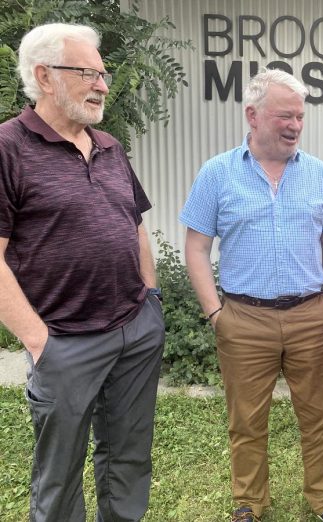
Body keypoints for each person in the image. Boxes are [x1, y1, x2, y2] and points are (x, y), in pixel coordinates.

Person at [0, 23, 165, 522]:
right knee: (60, 473)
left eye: (103, 73)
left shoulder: (110, 146)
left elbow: (133, 225)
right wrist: (38, 341)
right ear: (45, 76)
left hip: (134, 330)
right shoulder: (9, 147)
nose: (103, 84)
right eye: (88, 73)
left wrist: (151, 302)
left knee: (129, 457)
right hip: (64, 341)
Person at [180, 68, 323, 522]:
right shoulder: (217, 173)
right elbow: (196, 248)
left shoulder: (316, 172)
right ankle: (249, 504)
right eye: (284, 116)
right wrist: (216, 313)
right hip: (244, 318)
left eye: (300, 116)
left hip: (311, 316)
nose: (295, 125)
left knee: (318, 419)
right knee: (246, 422)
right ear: (252, 115)